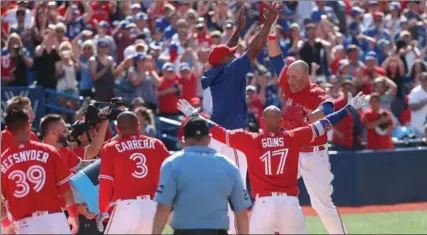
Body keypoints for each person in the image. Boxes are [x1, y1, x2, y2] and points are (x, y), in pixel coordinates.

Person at [176, 90, 365, 234]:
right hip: (290, 204)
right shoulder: (293, 137)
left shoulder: (250, 140)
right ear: (281, 121)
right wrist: (348, 109)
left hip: (264, 205)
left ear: (261, 121)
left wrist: (194, 114)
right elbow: (325, 124)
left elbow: (217, 131)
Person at [200, 5, 280, 231]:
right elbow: (254, 50)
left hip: (216, 134)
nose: (233, 53)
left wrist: (238, 30)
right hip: (231, 136)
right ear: (226, 59)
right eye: (230, 54)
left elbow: (226, 53)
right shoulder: (231, 71)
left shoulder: (215, 71)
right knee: (236, 189)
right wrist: (267, 24)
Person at [268, 22, 346, 233]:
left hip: (314, 155)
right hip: (292, 151)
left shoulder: (315, 92)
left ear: (306, 78)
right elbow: (276, 60)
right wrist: (272, 34)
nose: (289, 81)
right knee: (276, 193)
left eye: (294, 78)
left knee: (321, 204)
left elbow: (329, 107)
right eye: (289, 77)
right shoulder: (290, 86)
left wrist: (315, 115)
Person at [152, 117, 252, 235]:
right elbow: (241, 210)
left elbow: (163, 207)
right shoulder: (228, 165)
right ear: (209, 139)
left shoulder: (172, 164)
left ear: (184, 140)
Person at [1, 109, 79, 234]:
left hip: (25, 225)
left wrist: (6, 225)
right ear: (29, 125)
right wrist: (73, 215)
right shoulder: (49, 151)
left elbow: (1, 202)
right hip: (55, 220)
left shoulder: (3, 161)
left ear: (8, 130)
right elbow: (66, 190)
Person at [98, 111, 170, 234]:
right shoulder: (157, 144)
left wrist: (103, 209)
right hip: (153, 207)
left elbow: (106, 182)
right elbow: (171, 177)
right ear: (138, 126)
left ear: (117, 128)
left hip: (126, 208)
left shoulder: (110, 148)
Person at [408, 72, 427, 138]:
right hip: (418, 127)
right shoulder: (415, 91)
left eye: (426, 79)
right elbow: (411, 107)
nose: (424, 81)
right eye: (422, 79)